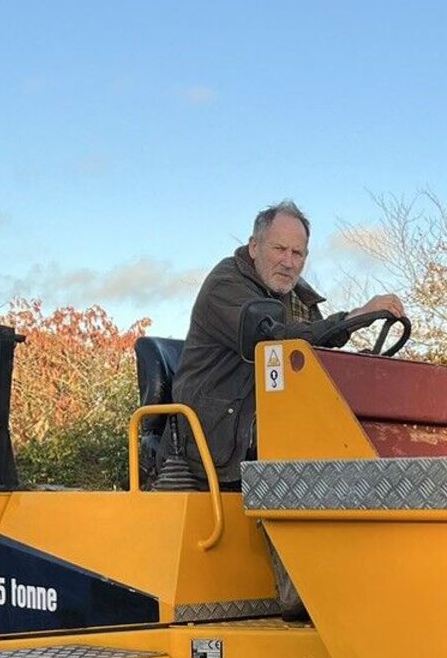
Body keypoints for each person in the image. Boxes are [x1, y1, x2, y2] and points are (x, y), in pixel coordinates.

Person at [163, 201, 405, 487]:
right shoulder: (225, 285)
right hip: (215, 433)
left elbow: (314, 354)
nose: (288, 262)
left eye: (297, 253)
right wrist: (353, 318)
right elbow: (276, 339)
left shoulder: (298, 297)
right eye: (279, 249)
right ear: (254, 247)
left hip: (267, 423)